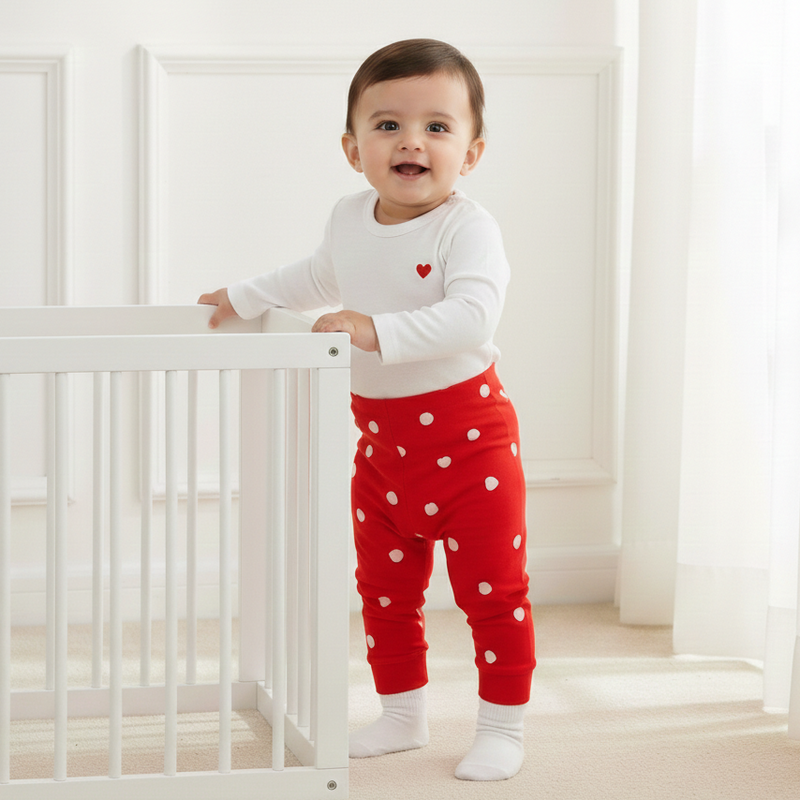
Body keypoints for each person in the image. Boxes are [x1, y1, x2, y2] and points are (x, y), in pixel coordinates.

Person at [199, 38, 535, 782]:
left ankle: (503, 726)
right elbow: (316, 277)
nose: (412, 141)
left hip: (471, 441)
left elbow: (472, 316)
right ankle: (402, 713)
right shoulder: (349, 218)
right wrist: (247, 296)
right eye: (387, 125)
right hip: (383, 450)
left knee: (492, 592)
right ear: (353, 149)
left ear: (471, 153)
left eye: (437, 128)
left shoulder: (465, 228)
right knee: (384, 590)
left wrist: (373, 329)